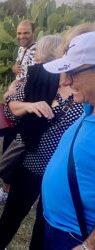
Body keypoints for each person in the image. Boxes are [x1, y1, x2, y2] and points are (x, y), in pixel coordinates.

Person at [0, 35, 83, 250]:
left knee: (45, 221)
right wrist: (29, 106)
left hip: (61, 170)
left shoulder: (82, 89)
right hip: (32, 161)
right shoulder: (39, 78)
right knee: (14, 211)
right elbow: (10, 108)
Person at [42, 31, 95, 250]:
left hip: (78, 238)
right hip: (58, 228)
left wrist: (88, 246)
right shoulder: (88, 108)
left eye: (72, 72)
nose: (64, 81)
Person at [0, 19, 37, 202]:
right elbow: (19, 72)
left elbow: (33, 82)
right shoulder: (22, 50)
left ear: (34, 33)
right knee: (9, 144)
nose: (22, 36)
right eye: (19, 33)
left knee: (16, 148)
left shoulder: (38, 52)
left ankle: (10, 190)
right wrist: (14, 69)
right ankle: (7, 188)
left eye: (26, 33)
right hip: (15, 102)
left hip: (25, 105)